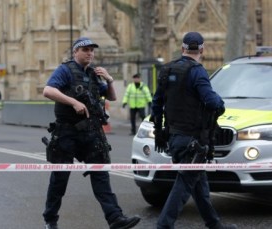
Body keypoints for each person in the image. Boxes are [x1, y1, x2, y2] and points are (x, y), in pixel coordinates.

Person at [42, 37, 140, 229]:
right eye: (85, 49)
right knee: (59, 180)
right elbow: (48, 91)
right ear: (75, 52)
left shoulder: (94, 73)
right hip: (67, 132)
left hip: (91, 132)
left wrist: (109, 80)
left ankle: (115, 218)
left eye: (92, 50)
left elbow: (111, 96)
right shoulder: (66, 70)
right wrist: (74, 102)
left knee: (101, 174)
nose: (90, 53)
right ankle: (50, 219)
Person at [150, 31, 237, 229]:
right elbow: (212, 101)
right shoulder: (197, 71)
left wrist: (159, 131)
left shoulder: (167, 69)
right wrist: (220, 103)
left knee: (199, 183)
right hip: (193, 140)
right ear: (202, 50)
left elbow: (156, 105)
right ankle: (163, 225)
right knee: (185, 183)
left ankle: (214, 224)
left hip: (174, 137)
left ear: (182, 49)